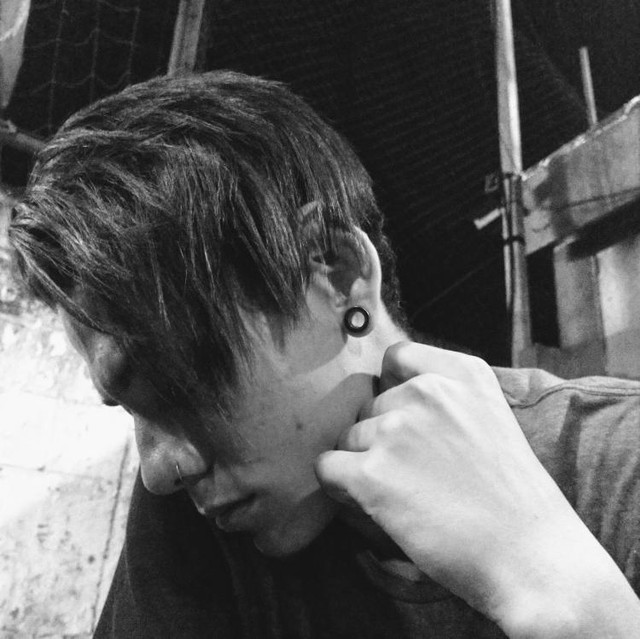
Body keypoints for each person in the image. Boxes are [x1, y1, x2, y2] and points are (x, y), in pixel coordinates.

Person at [8, 71, 640, 638]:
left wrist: (565, 598)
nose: (158, 469)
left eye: (173, 380)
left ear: (336, 274)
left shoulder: (616, 468)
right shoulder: (198, 518)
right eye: (131, 409)